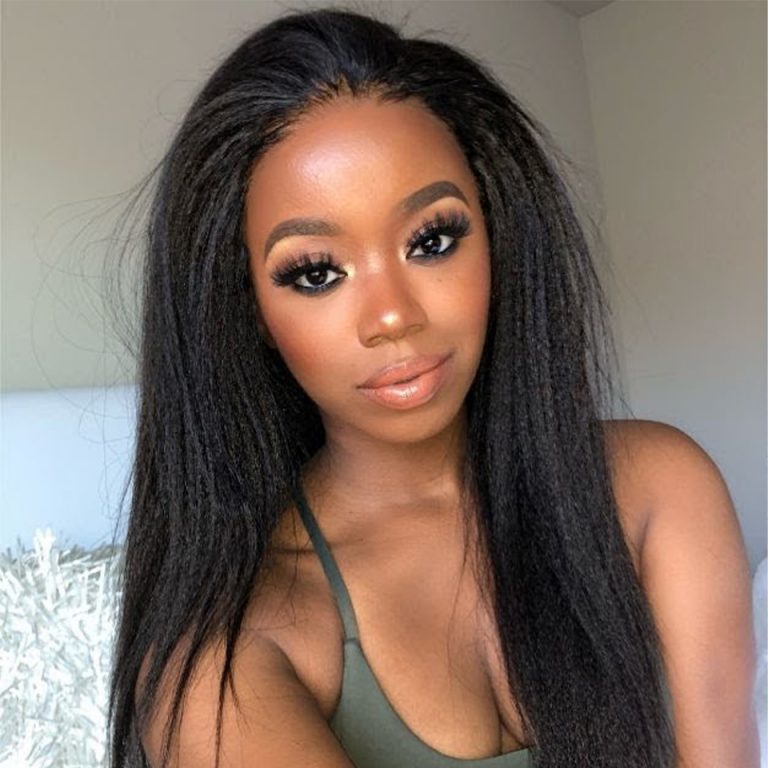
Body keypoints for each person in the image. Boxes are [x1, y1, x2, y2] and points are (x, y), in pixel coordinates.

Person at [106, 6, 759, 768]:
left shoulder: (658, 491)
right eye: (315, 273)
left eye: (432, 239)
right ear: (248, 308)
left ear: (498, 231)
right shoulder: (220, 663)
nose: (393, 315)